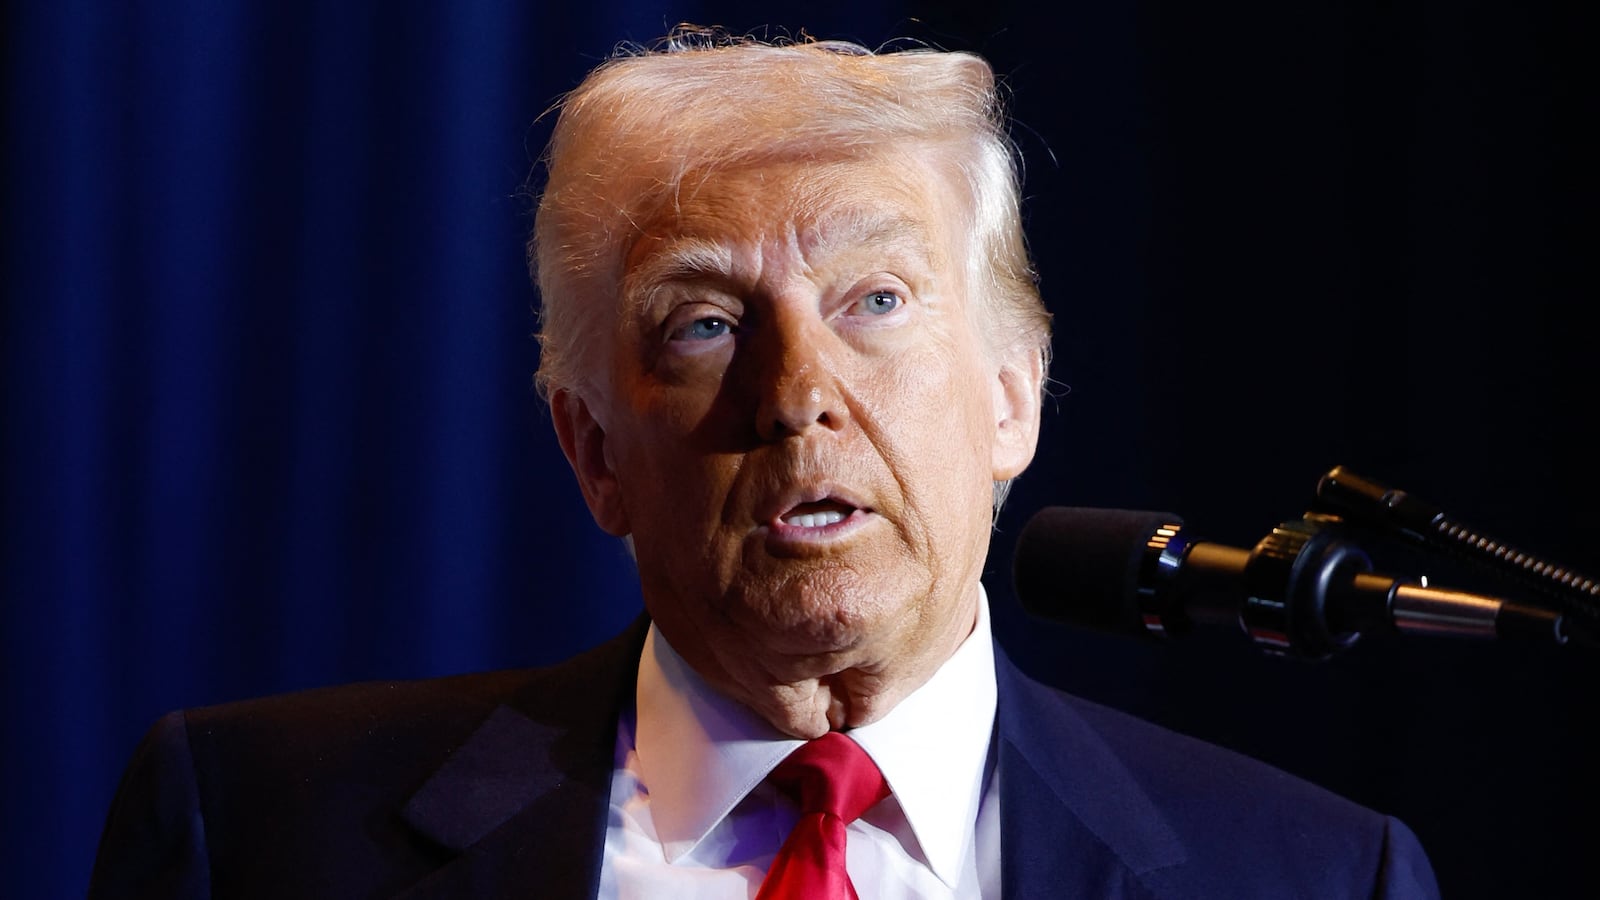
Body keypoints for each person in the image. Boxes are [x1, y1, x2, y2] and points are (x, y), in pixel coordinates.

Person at [88, 26, 1440, 899]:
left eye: (877, 302)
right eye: (706, 324)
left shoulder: (1316, 876)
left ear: (1012, 395)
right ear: (593, 452)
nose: (798, 397)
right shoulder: (258, 833)